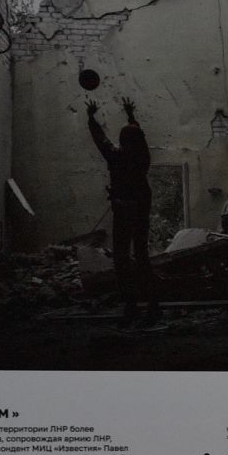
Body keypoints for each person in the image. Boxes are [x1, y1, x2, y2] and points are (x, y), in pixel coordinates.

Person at [86, 96, 155, 320]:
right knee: (142, 254)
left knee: (122, 256)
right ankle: (152, 301)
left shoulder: (116, 157)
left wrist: (91, 118)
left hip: (123, 210)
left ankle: (130, 303)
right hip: (141, 208)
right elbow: (139, 138)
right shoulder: (143, 158)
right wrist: (131, 115)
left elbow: (100, 139)